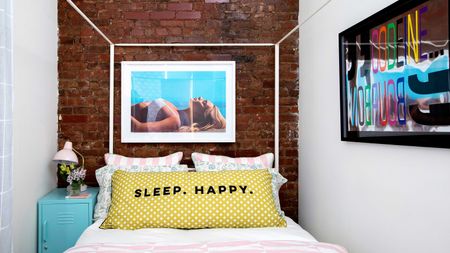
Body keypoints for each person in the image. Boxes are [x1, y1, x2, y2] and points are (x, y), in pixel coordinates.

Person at [131, 97, 226, 132]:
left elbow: (138, 128)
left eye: (204, 102)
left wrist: (119, 112)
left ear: (202, 116)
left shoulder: (175, 121)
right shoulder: (175, 110)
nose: (201, 97)